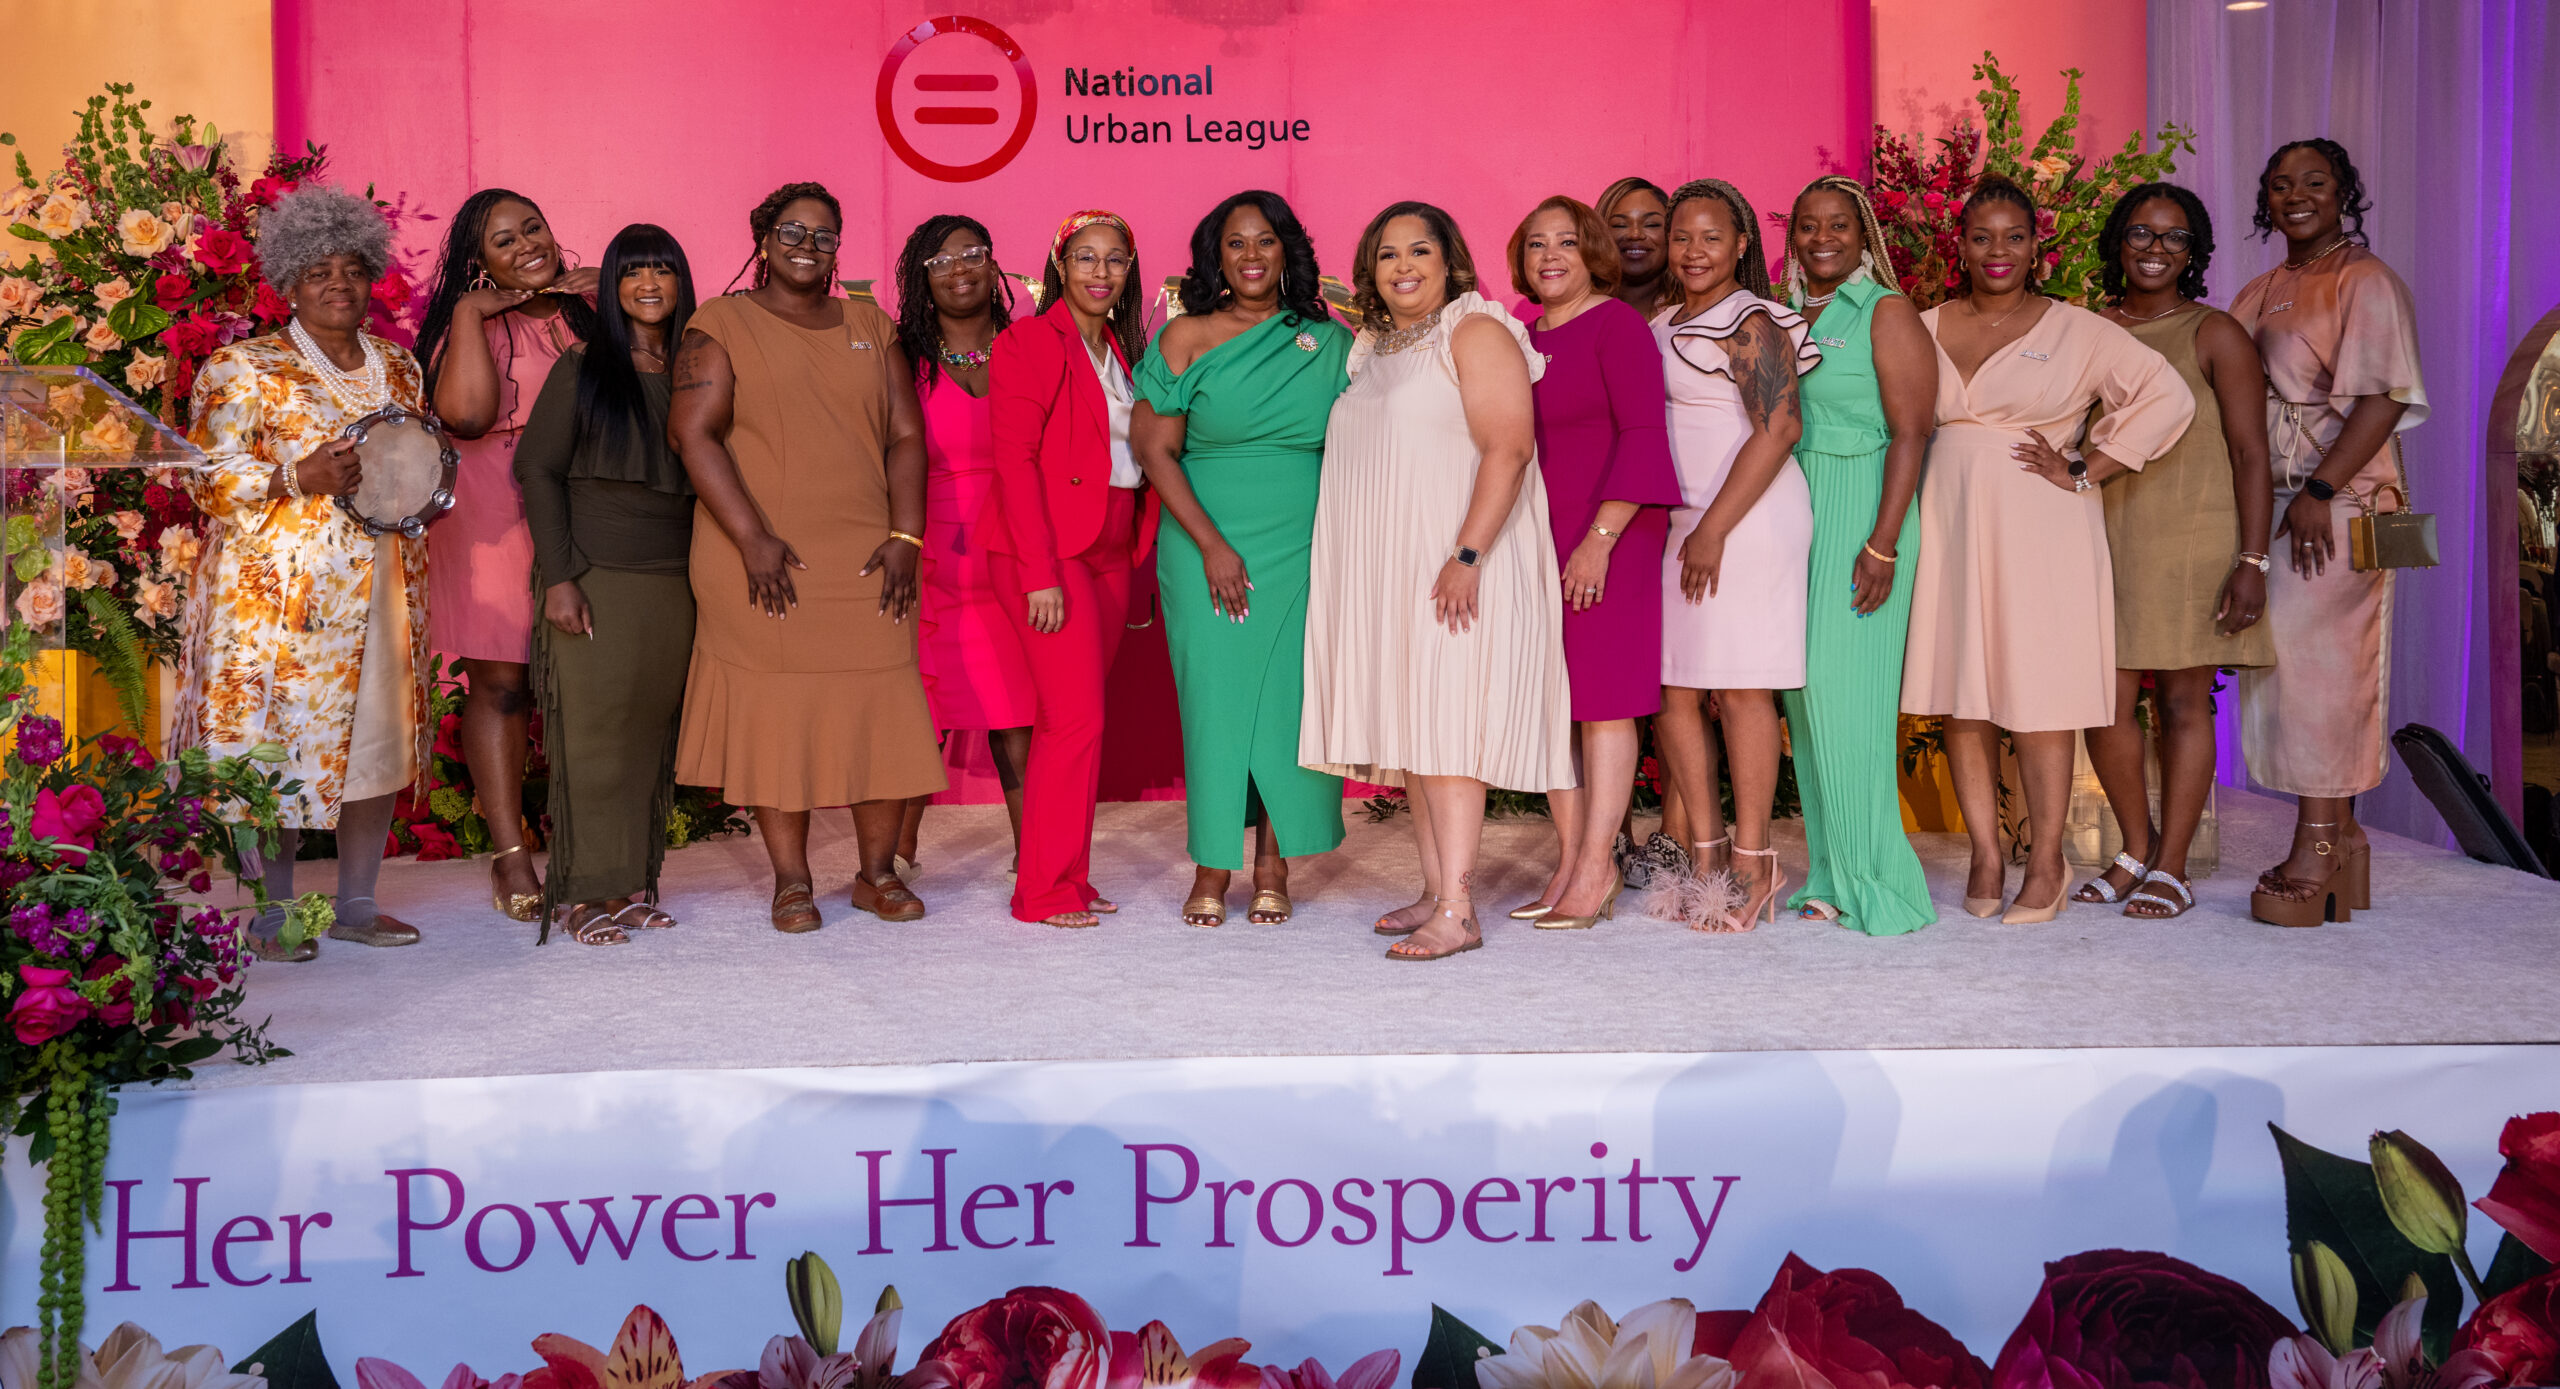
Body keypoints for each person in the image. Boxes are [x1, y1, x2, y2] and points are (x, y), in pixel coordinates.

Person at [1900, 176, 2195, 924]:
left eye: (2014, 237)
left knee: (2038, 697)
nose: (1997, 251)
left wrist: (2088, 466)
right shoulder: (1923, 325)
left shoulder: (2078, 330)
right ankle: (1985, 853)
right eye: (1981, 237)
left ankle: (2047, 861)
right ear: (1961, 245)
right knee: (1962, 693)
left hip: (2042, 525)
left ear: (2037, 246)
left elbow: (2169, 396)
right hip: (1948, 522)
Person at [668, 181, 946, 933]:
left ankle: (877, 874)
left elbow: (906, 436)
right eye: (793, 231)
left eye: (825, 236)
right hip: (759, 555)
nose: (808, 247)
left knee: (881, 708)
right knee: (778, 717)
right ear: (763, 239)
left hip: (870, 556)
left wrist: (907, 536)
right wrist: (752, 538)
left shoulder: (870, 324)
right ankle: (791, 881)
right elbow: (692, 433)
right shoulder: (720, 322)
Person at [1301, 201, 1570, 962]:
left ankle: (1458, 909)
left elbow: (1509, 448)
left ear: (1450, 261)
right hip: (1392, 572)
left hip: (1457, 564)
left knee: (1448, 728)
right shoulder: (1373, 350)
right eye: (1388, 254)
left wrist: (1468, 554)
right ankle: (1433, 888)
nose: (1404, 266)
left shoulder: (1473, 330)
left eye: (1420, 250)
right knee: (1418, 729)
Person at [172, 184, 431, 960]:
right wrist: (294, 476)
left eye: (352, 268)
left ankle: (357, 903)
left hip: (384, 585)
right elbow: (203, 477)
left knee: (377, 742)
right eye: (318, 271)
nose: (338, 284)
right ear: (288, 284)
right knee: (273, 748)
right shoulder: (242, 367)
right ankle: (272, 912)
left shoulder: (399, 365)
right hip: (276, 600)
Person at [1134, 191, 1351, 927]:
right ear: (1215, 257)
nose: (1252, 255)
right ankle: (1211, 862)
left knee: (1290, 706)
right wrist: (1213, 545)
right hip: (1203, 539)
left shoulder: (1330, 342)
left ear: (1287, 250)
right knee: (1215, 705)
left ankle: (1272, 864)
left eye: (1265, 241)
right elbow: (1155, 452)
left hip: (1303, 544)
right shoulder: (1185, 335)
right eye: (1236, 243)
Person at [2230, 139, 2426, 927]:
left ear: (2345, 190)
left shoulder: (2363, 278)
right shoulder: (2263, 287)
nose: (2296, 195)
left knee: (2323, 669)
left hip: (2339, 498)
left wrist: (2320, 488)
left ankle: (2318, 841)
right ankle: (2343, 838)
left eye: (2314, 181)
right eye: (2281, 185)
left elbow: (2384, 396)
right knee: (2288, 668)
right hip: (2278, 497)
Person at [2078, 183, 2275, 919]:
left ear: (2194, 252)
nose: (2156, 248)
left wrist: (2252, 561)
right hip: (2103, 534)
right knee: (2101, 702)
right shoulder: (2089, 329)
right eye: (2141, 233)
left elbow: (2251, 453)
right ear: (2117, 242)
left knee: (2184, 701)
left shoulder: (2215, 332)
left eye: (2174, 237)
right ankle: (2137, 847)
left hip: (2193, 536)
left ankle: (2173, 866)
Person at [413, 189, 598, 924]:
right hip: (493, 506)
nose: (528, 244)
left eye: (533, 227)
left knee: (587, 684)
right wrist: (469, 312)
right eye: (504, 240)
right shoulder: (472, 324)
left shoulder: (589, 309)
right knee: (502, 685)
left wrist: (614, 292)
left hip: (587, 502)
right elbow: (466, 417)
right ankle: (511, 854)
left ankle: (591, 848)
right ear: (478, 261)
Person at [514, 224, 699, 945]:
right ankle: (580, 895)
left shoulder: (698, 369)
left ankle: (627, 885)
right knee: (591, 740)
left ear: (683, 282)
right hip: (595, 572)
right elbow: (537, 470)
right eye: (632, 271)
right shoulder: (585, 365)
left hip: (675, 581)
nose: (648, 284)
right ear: (612, 287)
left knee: (646, 737)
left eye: (662, 270)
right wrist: (561, 577)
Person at [1506, 195, 1681, 930]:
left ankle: (1598, 863)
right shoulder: (1516, 335)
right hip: (1537, 536)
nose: (1551, 256)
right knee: (1554, 702)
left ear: (1593, 254)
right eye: (1537, 243)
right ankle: (1571, 856)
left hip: (1610, 532)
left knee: (1605, 700)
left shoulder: (1617, 325)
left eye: (1567, 242)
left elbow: (1642, 434)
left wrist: (1599, 540)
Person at [1649, 179, 1818, 931]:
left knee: (1744, 688)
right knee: (1674, 689)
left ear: (1742, 244)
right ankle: (1707, 854)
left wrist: (1714, 528)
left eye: (1712, 237)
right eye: (1681, 236)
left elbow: (1780, 428)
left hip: (1744, 522)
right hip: (1681, 521)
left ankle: (1754, 862)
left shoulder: (1751, 320)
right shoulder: (1664, 322)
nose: (1694, 251)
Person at [1772, 175, 1939, 936]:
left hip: (1860, 511)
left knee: (1851, 705)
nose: (1821, 238)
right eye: (1808, 225)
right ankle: (1832, 874)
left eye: (1838, 224)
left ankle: (1879, 880)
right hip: (1793, 513)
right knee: (1806, 704)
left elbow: (1912, 431)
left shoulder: (1884, 310)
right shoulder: (1779, 312)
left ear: (1863, 233)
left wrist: (1883, 541)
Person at [984, 210, 1161, 928]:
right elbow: (1015, 460)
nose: (1100, 271)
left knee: (1084, 724)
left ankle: (1070, 876)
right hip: (1048, 550)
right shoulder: (1028, 341)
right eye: (1085, 257)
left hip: (1112, 546)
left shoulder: (1119, 348)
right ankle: (1042, 892)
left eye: (1115, 259)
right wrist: (1038, 572)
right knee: (1072, 720)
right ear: (1060, 266)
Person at [890, 215, 1033, 883]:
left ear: (993, 262)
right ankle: (894, 854)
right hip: (929, 560)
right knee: (920, 711)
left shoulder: (1029, 346)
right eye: (940, 261)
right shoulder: (904, 360)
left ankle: (1037, 851)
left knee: (1018, 713)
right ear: (921, 279)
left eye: (972, 253)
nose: (959, 269)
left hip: (1017, 555)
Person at [1597, 173, 1693, 886]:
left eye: (1651, 222)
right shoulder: (1575, 307)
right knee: (1609, 683)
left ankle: (1679, 833)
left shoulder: (1700, 306)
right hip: (1606, 514)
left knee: (1683, 681)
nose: (1635, 235)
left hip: (1689, 509)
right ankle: (1612, 833)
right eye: (1619, 222)